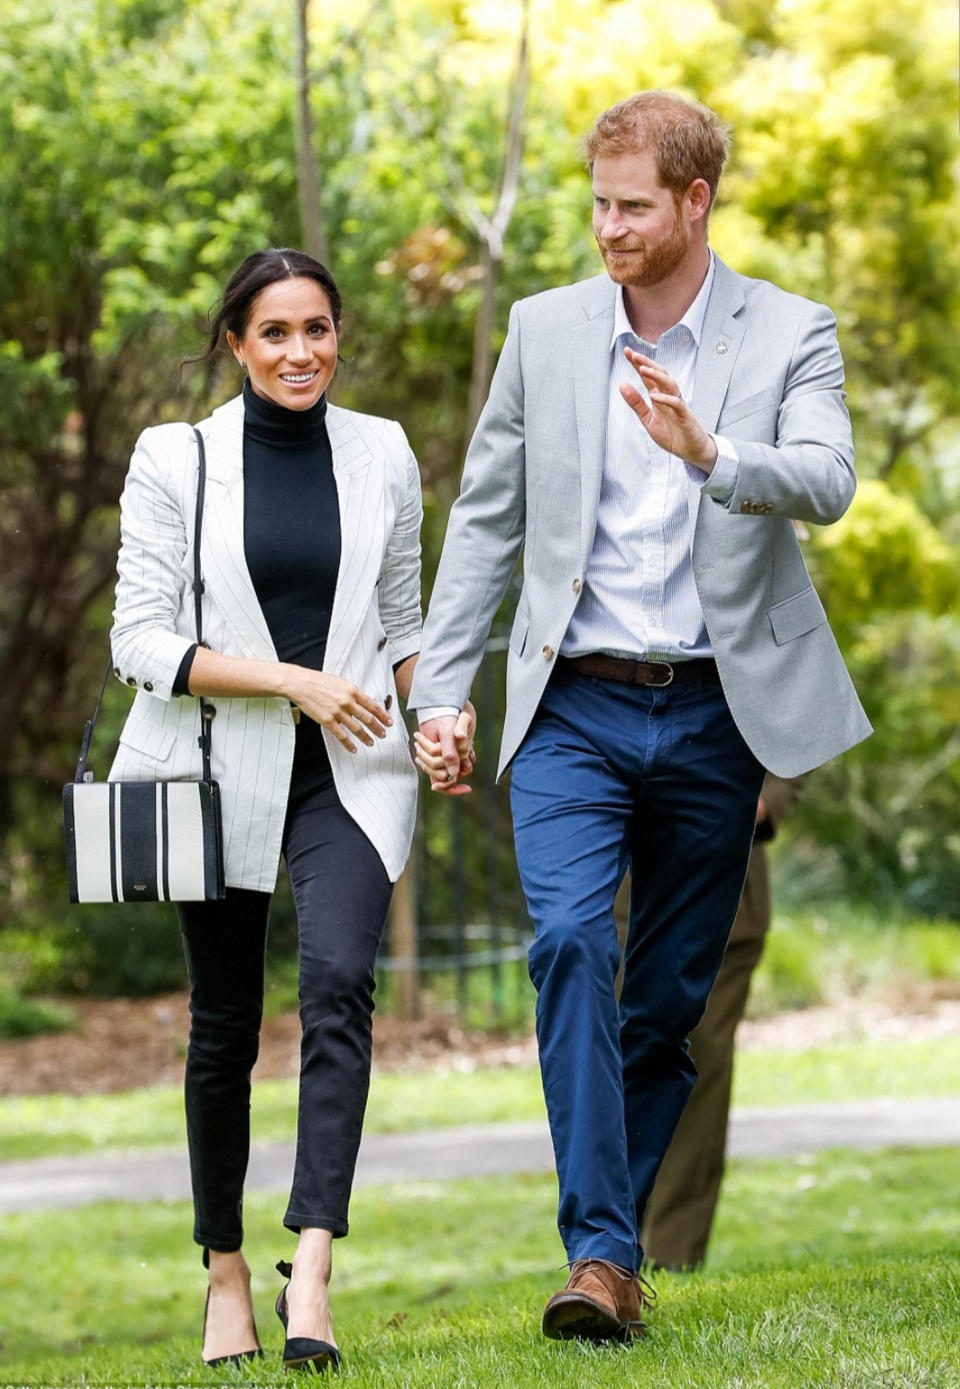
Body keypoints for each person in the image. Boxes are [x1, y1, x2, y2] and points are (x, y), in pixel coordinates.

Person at [410, 91, 870, 1342]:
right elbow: (490, 520)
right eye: (597, 202)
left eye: (631, 206)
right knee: (568, 944)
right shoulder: (547, 331)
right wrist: (442, 687)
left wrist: (712, 450)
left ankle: (609, 1259)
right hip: (573, 705)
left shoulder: (790, 330)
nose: (606, 226)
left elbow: (826, 479)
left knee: (667, 1003)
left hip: (720, 712)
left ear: (694, 202)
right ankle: (601, 1258)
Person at [109, 248, 473, 1373]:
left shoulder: (383, 451)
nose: (300, 352)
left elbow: (407, 622)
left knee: (336, 989)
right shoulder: (180, 458)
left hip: (349, 775)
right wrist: (292, 680)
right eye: (274, 333)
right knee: (223, 1028)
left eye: (317, 329)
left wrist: (440, 713)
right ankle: (224, 1271)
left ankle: (310, 1265)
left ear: (337, 333)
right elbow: (140, 642)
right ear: (236, 343)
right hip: (216, 773)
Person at [635, 773, 806, 1271]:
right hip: (621, 889)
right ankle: (604, 1253)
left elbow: (809, 704)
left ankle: (671, 1258)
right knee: (617, 1064)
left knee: (699, 1072)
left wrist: (766, 798)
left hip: (728, 885)